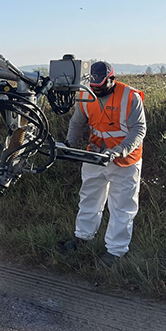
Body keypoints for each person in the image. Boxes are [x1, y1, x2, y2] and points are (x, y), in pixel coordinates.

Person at [60, 61, 146, 264]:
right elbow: (77, 122)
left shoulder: (130, 96)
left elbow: (139, 129)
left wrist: (119, 151)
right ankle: (83, 237)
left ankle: (115, 251)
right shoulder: (85, 94)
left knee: (122, 206)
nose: (95, 91)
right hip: (95, 155)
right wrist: (69, 144)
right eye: (93, 87)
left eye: (100, 87)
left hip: (125, 160)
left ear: (112, 80)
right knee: (89, 198)